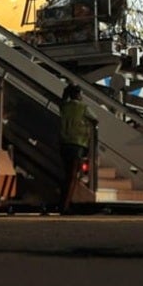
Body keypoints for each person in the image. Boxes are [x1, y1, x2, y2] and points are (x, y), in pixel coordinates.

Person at [58, 83, 90, 213]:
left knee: (67, 175)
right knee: (72, 176)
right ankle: (65, 205)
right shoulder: (83, 108)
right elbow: (95, 118)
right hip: (78, 144)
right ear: (78, 94)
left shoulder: (64, 106)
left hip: (64, 143)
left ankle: (64, 202)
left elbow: (61, 102)